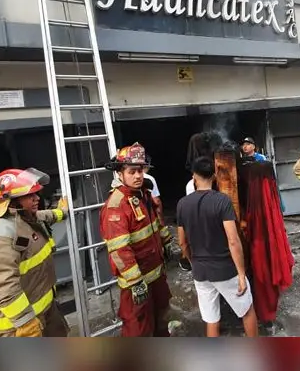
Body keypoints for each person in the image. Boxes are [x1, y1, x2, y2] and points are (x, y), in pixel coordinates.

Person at [0, 168, 70, 337]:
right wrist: (26, 324)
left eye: (36, 193)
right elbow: (4, 287)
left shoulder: (25, 219)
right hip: (16, 328)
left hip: (43, 312)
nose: (37, 198)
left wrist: (61, 212)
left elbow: (42, 216)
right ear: (12, 202)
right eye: (30, 195)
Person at [175, 156, 258, 337]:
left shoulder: (182, 204)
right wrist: (241, 274)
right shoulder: (222, 201)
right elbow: (233, 240)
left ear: (193, 176)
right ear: (214, 176)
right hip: (225, 270)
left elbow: (182, 242)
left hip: (200, 273)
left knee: (211, 319)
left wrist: (193, 261)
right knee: (247, 311)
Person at [100, 143, 174, 337]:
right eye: (132, 172)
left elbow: (155, 223)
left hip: (156, 275)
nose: (138, 176)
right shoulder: (116, 206)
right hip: (137, 285)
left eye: (140, 171)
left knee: (161, 321)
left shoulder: (144, 195)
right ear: (120, 174)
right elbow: (119, 250)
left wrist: (166, 241)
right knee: (138, 330)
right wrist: (136, 282)